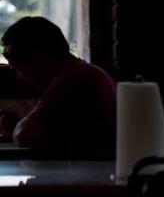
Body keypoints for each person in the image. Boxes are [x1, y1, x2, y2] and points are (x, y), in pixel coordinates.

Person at [0, 16, 116, 156]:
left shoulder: (72, 78)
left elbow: (24, 135)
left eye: (18, 68)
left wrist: (18, 127)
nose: (19, 77)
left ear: (38, 58)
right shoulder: (85, 71)